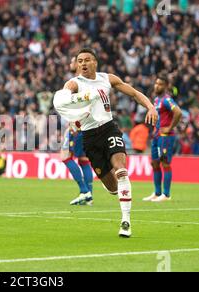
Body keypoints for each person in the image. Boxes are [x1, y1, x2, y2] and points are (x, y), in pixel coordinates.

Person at [53, 48, 158, 237]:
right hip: (90, 137)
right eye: (80, 61)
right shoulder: (74, 83)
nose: (83, 64)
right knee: (113, 187)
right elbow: (62, 98)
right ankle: (111, 184)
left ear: (95, 62)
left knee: (121, 170)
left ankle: (126, 222)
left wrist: (150, 106)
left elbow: (134, 93)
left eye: (87, 60)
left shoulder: (107, 79)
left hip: (109, 128)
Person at [143, 76, 182, 202]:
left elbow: (178, 112)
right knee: (154, 163)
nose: (156, 86)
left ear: (165, 86)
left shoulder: (167, 100)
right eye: (156, 83)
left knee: (165, 163)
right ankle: (157, 192)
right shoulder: (156, 100)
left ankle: (166, 194)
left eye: (160, 84)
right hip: (157, 135)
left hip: (165, 137)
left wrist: (170, 127)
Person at [61, 56, 94, 206]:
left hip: (78, 126)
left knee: (66, 157)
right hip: (87, 126)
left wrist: (74, 124)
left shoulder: (75, 83)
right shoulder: (88, 82)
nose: (71, 63)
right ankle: (89, 196)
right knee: (83, 160)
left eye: (73, 61)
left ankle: (84, 191)